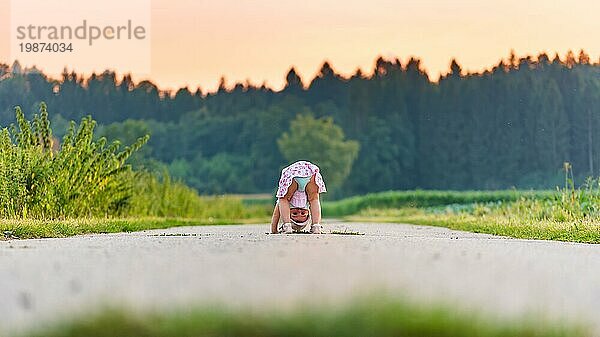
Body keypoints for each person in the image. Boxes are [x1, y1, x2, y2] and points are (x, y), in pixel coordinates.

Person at [270, 160, 327, 234]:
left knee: (283, 199)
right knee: (314, 199)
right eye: (303, 213)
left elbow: (276, 215)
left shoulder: (285, 205)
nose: (299, 211)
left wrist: (274, 230)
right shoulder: (306, 205)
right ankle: (316, 226)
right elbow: (314, 202)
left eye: (295, 213)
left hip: (295, 174)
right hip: (310, 173)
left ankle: (287, 225)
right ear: (308, 213)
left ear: (288, 214)